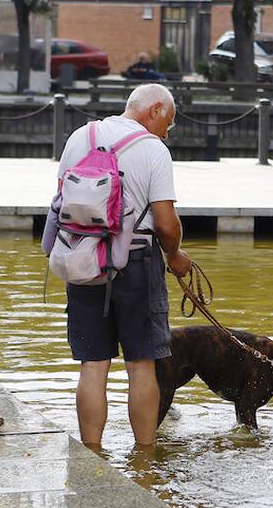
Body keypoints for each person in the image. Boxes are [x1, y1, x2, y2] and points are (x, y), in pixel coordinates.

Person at [56, 83, 191, 448]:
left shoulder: (81, 136)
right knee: (141, 365)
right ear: (157, 110)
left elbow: (62, 200)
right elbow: (165, 221)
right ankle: (144, 455)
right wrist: (175, 255)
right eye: (170, 122)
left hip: (84, 259)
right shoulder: (153, 149)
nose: (168, 130)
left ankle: (91, 450)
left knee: (93, 365)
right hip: (137, 260)